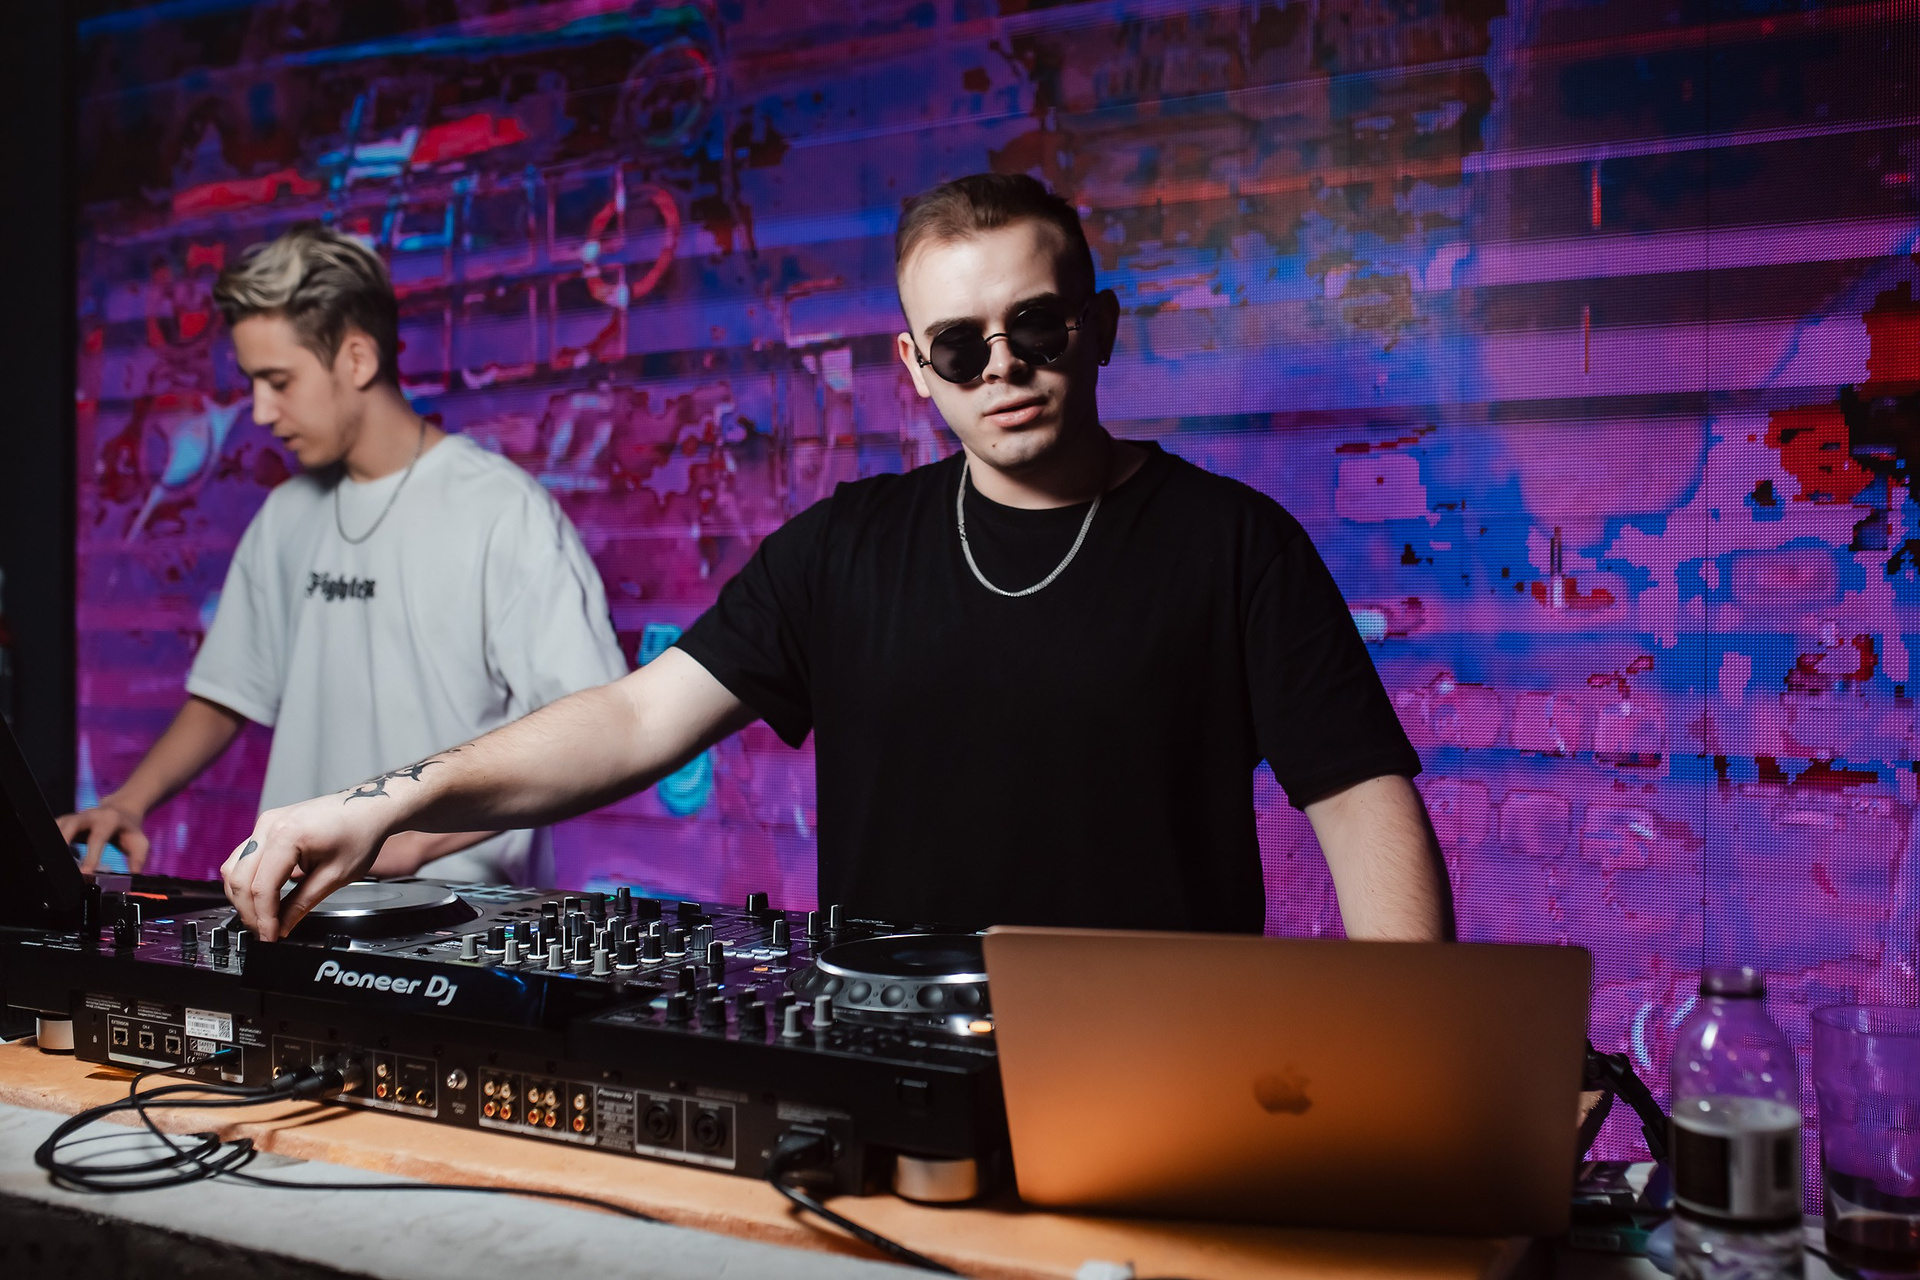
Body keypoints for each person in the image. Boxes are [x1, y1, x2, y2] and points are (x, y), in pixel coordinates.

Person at [220, 176, 1453, 942]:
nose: (1003, 366)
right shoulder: (844, 545)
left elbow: (1362, 806)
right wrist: (381, 801)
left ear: (1099, 327)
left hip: (1155, 1065)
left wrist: (1412, 1070)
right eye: (960, 345)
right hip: (882, 1063)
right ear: (915, 370)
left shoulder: (1236, 545)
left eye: (1035, 325)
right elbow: (634, 719)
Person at [61, 224, 627, 885]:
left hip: (461, 922)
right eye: (253, 383)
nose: (261, 412)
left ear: (356, 359)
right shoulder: (284, 515)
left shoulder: (504, 512)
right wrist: (128, 802)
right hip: (292, 913)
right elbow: (227, 693)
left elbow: (596, 738)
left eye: (278, 381)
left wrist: (418, 839)